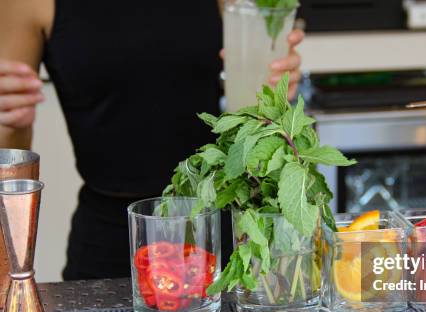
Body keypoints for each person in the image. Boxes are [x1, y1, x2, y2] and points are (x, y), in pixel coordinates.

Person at [0, 0, 304, 280]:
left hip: (220, 232)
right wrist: (7, 117)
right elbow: (10, 153)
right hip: (108, 242)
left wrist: (274, 92)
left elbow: (251, 114)